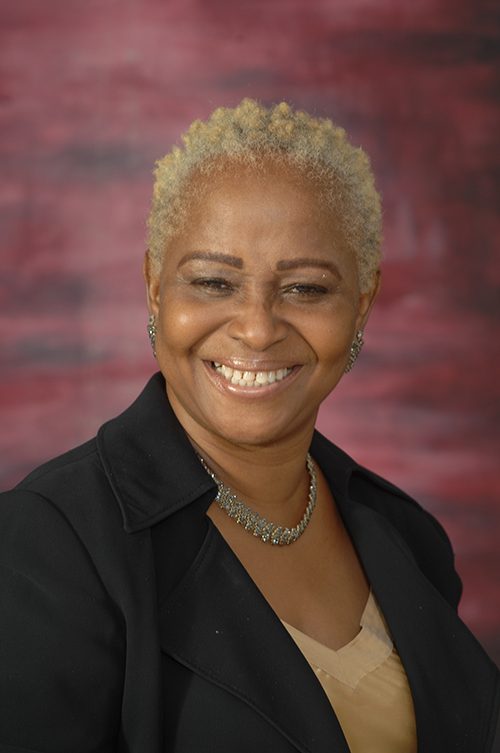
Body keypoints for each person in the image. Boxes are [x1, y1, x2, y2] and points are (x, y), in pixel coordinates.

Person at [0, 99, 498, 753]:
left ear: (361, 304)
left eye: (306, 289)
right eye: (213, 282)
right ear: (154, 288)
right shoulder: (49, 542)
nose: (258, 329)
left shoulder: (408, 537)